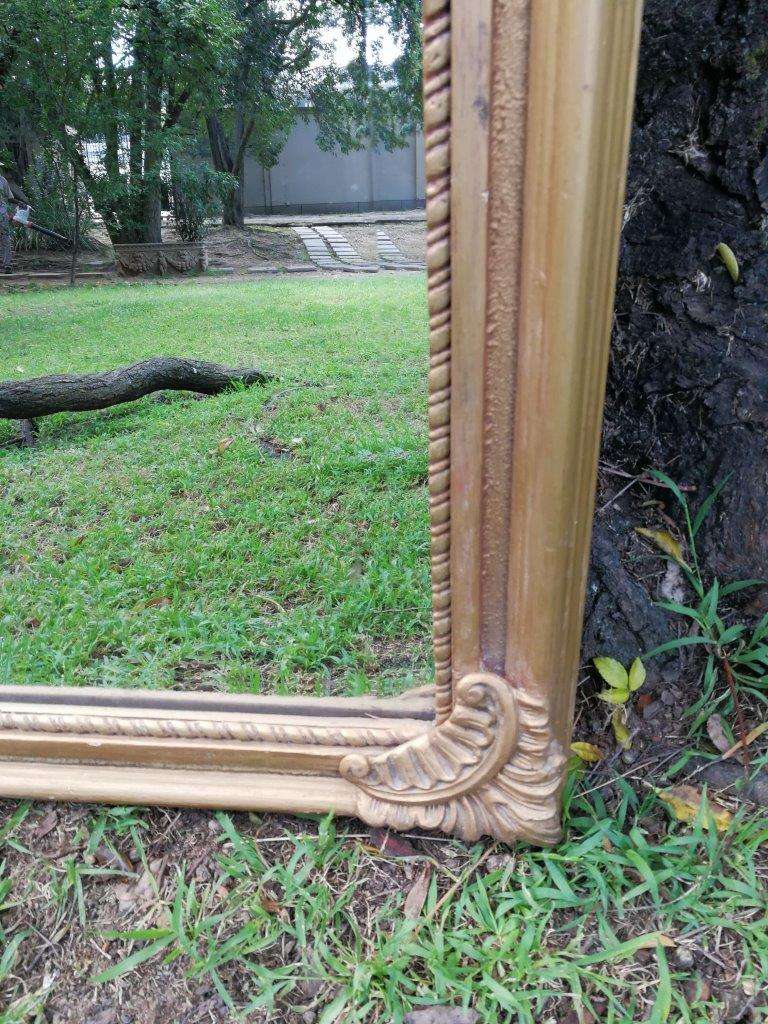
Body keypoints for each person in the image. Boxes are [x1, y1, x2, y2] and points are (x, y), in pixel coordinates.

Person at [0, 163, 19, 275]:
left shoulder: (3, 181)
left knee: (6, 239)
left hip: (2, 214)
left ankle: (7, 265)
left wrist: (19, 203)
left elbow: (9, 198)